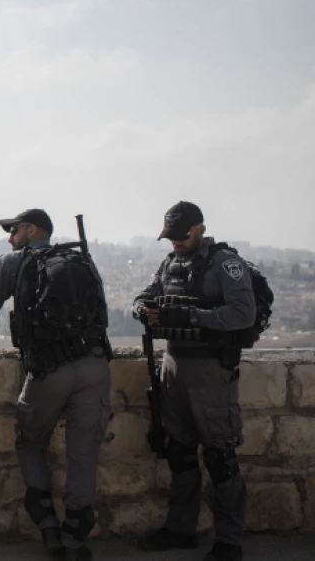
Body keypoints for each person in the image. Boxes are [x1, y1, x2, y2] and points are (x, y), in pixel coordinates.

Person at [0, 209, 112, 561]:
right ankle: (75, 538)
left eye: (14, 230)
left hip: (49, 368)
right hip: (94, 364)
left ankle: (47, 524)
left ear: (33, 230)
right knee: (84, 452)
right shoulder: (80, 259)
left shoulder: (14, 263)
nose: (9, 237)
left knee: (31, 443)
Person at [132, 202, 254, 561]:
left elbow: (242, 313)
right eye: (170, 237)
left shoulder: (225, 264)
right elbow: (145, 295)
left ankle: (228, 541)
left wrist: (191, 315)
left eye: (181, 236)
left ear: (199, 228)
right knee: (180, 452)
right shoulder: (171, 264)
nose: (175, 243)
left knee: (220, 457)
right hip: (173, 366)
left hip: (210, 371)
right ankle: (180, 529)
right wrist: (143, 309)